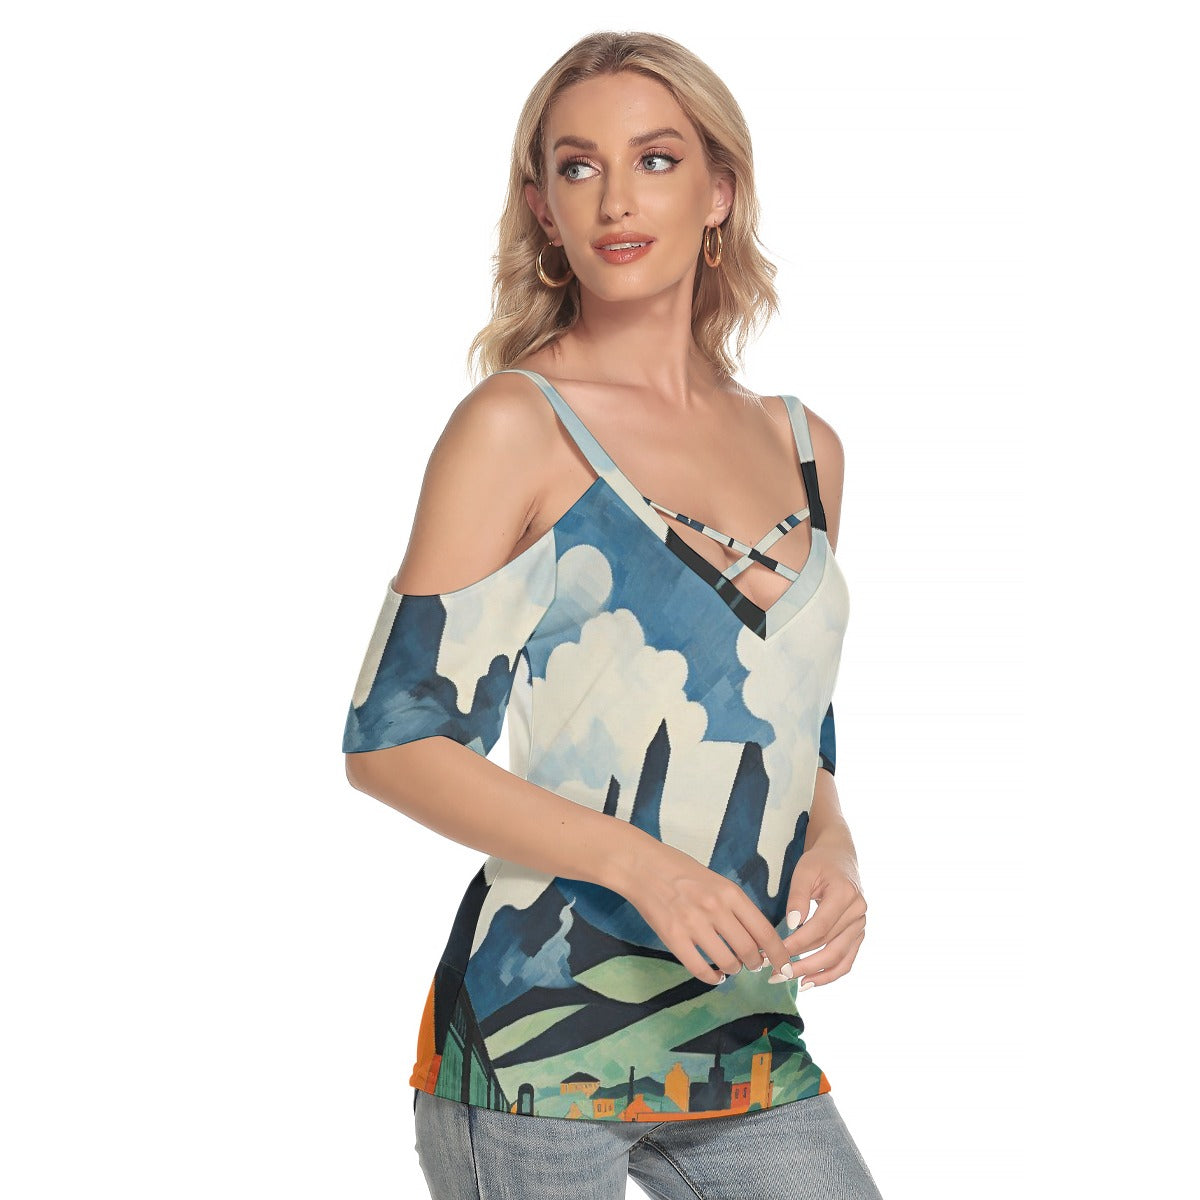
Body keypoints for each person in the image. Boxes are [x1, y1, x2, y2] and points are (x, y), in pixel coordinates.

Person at [342, 30, 883, 1200]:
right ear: (543, 207)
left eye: (656, 159)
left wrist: (832, 843)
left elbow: (794, 725)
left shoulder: (806, 449)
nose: (616, 198)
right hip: (538, 1045)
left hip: (745, 1036)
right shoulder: (516, 426)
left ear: (719, 192)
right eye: (578, 167)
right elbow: (391, 744)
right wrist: (647, 870)